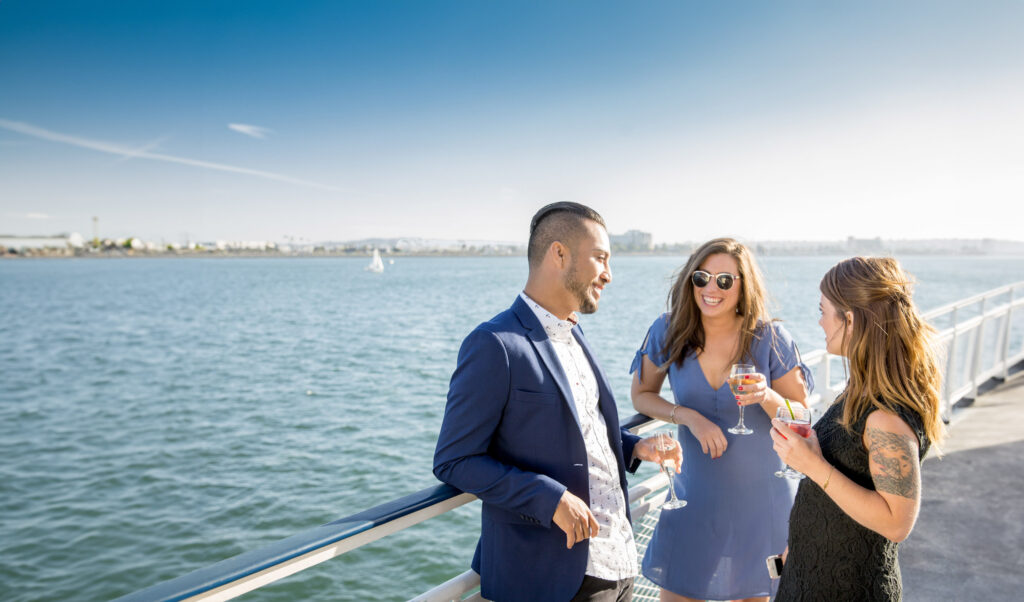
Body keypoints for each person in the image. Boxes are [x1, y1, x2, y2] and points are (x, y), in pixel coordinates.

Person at [433, 202, 680, 602]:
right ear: (559, 253)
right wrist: (549, 498)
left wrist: (635, 447)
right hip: (553, 576)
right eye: (600, 258)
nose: (609, 274)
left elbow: (577, 426)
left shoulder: (575, 333)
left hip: (618, 559)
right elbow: (453, 460)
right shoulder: (495, 344)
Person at [630, 238, 812, 602]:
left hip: (761, 503)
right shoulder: (668, 330)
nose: (711, 289)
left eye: (725, 281)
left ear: (743, 285)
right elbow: (642, 395)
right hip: (692, 496)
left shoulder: (770, 338)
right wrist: (687, 416)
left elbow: (802, 415)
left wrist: (765, 396)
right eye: (702, 278)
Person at [769, 256, 945, 601]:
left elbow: (897, 523)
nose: (819, 321)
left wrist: (813, 465)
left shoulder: (885, 416)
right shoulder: (859, 391)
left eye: (823, 311)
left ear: (849, 320)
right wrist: (790, 558)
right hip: (807, 581)